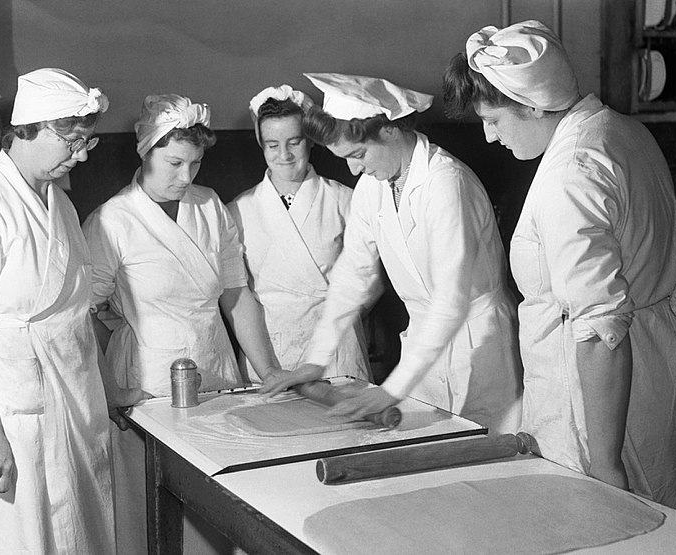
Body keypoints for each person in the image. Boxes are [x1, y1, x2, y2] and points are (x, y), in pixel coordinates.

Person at [441, 20, 676, 512]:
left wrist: (605, 466)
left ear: (535, 103)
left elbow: (601, 331)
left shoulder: (571, 172)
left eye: (493, 120)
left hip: (604, 409)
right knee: (666, 524)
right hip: (660, 374)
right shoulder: (624, 130)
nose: (489, 137)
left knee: (614, 527)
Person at [264, 73, 523, 435]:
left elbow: (451, 299)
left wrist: (391, 390)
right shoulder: (374, 186)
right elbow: (351, 275)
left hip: (479, 344)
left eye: (357, 155)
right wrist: (315, 361)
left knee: (488, 461)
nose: (354, 169)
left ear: (388, 131)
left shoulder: (446, 182)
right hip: (424, 351)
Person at [82, 93, 283, 553]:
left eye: (194, 164)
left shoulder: (209, 205)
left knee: (220, 503)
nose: (185, 176)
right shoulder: (113, 220)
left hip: (216, 370)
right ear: (145, 152)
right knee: (153, 504)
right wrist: (110, 390)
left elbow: (236, 294)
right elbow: (84, 315)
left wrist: (268, 370)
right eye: (174, 163)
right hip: (149, 382)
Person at [0, 68, 115, 553]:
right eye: (71, 141)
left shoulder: (60, 204)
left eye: (86, 143)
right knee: (19, 535)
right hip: (12, 406)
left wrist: (109, 390)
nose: (80, 155)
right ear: (29, 129)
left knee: (78, 530)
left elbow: (76, 310)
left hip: (74, 395)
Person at [227, 84, 372, 384]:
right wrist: (266, 368)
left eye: (294, 142)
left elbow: (372, 279)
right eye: (272, 145)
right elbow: (238, 298)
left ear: (311, 141)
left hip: (336, 355)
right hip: (270, 353)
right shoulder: (237, 211)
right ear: (261, 144)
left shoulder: (345, 200)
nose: (284, 155)